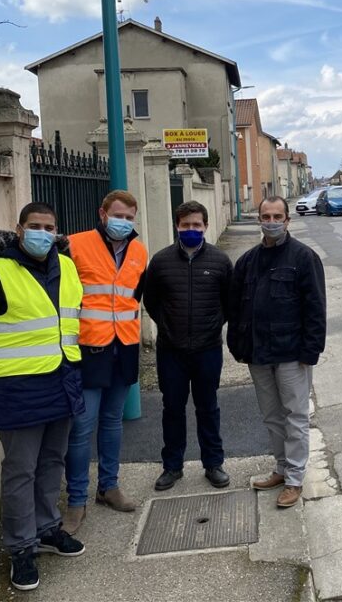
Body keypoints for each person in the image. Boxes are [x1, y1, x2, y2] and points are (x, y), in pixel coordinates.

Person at [0, 202, 85, 592]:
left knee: (51, 463)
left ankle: (47, 529)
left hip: (62, 381)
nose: (42, 233)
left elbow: (70, 321)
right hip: (17, 390)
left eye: (49, 226)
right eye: (35, 226)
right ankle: (21, 548)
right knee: (20, 471)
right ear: (19, 228)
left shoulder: (67, 266)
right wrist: (1, 365)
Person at [228, 196, 326, 509]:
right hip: (258, 354)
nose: (271, 221)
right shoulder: (247, 261)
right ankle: (281, 468)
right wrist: (238, 346)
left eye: (277, 216)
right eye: (266, 216)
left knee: (295, 417)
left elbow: (315, 308)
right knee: (271, 418)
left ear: (287, 220)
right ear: (259, 219)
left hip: (291, 354)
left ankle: (295, 479)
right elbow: (237, 309)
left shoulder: (304, 257)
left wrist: (310, 351)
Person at [62, 190, 148, 533]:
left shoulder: (139, 251)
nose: (123, 222)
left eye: (129, 218)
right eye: (118, 215)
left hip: (124, 348)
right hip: (89, 349)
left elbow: (135, 298)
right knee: (82, 428)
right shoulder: (74, 244)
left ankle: (109, 487)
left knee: (113, 422)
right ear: (102, 213)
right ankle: (76, 501)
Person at [144, 201, 232, 491]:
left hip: (207, 349)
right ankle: (172, 466)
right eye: (185, 225)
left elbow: (228, 303)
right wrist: (169, 326)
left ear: (205, 226)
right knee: (172, 408)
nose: (191, 230)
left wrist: (211, 326)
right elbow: (152, 301)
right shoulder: (160, 261)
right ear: (177, 227)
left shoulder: (220, 261)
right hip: (172, 351)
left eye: (196, 225)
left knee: (208, 407)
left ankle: (213, 464)